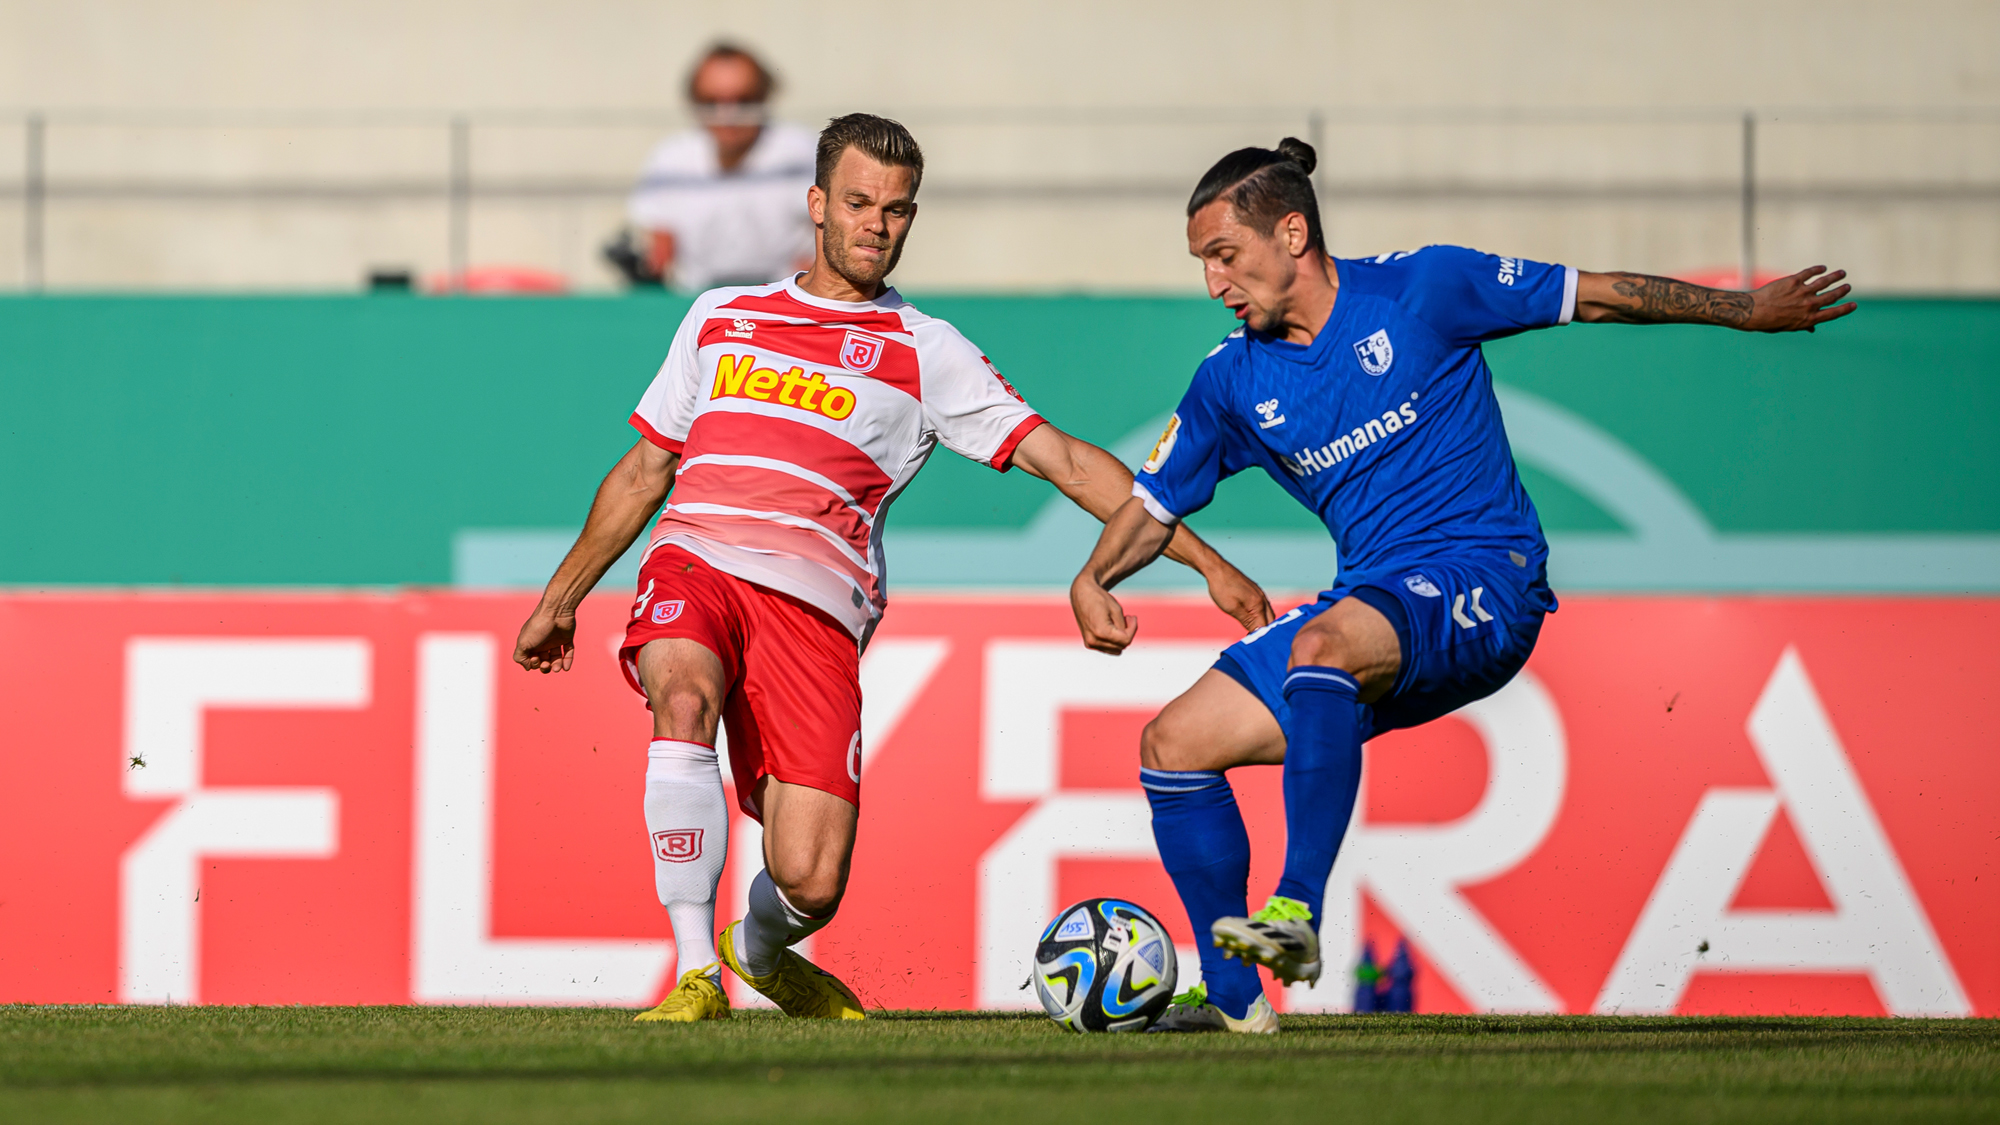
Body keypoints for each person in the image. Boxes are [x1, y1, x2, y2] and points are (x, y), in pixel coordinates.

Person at [1068, 137, 1856, 1034]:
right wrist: (1097, 574)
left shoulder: (1424, 289)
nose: (1215, 282)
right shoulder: (1231, 379)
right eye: (1203, 263)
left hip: (1490, 580)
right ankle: (1236, 1002)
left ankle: (1296, 911)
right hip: (1378, 603)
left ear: (1292, 233)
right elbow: (1152, 500)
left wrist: (1743, 309)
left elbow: (1594, 294)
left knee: (1322, 646)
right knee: (1171, 742)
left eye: (1225, 255)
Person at [516, 114, 1271, 1023]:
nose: (878, 224)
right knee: (683, 697)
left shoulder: (926, 350)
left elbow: (1067, 461)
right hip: (698, 559)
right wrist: (561, 598)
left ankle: (753, 950)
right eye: (861, 203)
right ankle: (692, 977)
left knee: (811, 880)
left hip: (816, 614)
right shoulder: (719, 318)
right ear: (818, 205)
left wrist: (1206, 563)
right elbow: (647, 469)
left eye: (898, 210)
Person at [617, 44, 816, 290]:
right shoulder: (670, 159)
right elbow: (661, 253)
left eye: (743, 100)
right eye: (712, 102)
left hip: (787, 301)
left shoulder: (801, 153)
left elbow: (827, 240)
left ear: (764, 96)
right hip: (698, 301)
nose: (727, 113)